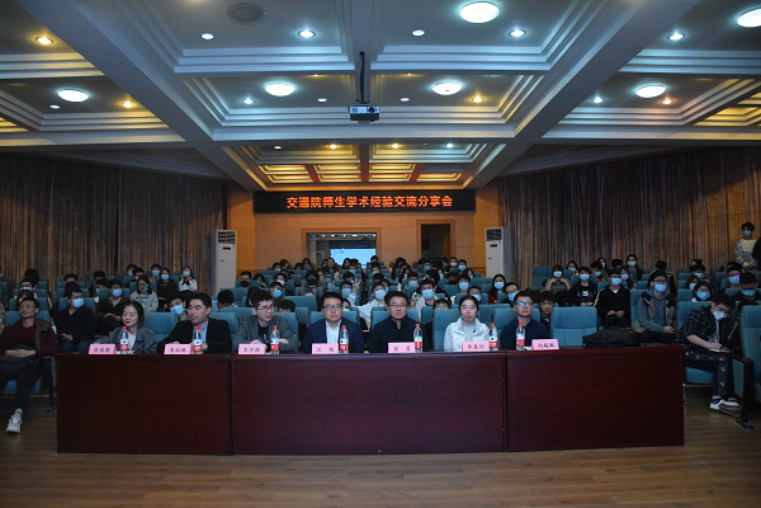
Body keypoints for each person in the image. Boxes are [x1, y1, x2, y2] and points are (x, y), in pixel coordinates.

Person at [0, 298, 58, 434]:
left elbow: (55, 348)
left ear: (36, 310)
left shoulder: (44, 328)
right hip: (9, 362)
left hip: (31, 363)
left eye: (28, 306)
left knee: (25, 377)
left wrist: (32, 352)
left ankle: (17, 416)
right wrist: (9, 352)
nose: (24, 309)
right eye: (21, 307)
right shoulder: (10, 329)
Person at [680, 295, 740, 416]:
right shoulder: (698, 313)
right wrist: (709, 345)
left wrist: (723, 348)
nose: (723, 314)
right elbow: (689, 335)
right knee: (722, 360)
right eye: (721, 309)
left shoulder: (726, 321)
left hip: (713, 351)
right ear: (713, 305)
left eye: (726, 312)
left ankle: (730, 397)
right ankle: (716, 400)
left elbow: (725, 341)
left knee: (731, 357)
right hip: (691, 350)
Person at [158, 293, 231, 354]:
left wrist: (205, 346)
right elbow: (160, 346)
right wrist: (172, 346)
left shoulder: (220, 325)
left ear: (208, 310)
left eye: (197, 308)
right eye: (190, 308)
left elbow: (227, 346)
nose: (192, 312)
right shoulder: (182, 326)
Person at [633, 271, 677, 344]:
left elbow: (675, 318)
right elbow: (644, 320)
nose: (661, 283)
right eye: (658, 281)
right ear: (652, 283)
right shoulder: (644, 298)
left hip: (665, 329)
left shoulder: (671, 298)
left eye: (664, 281)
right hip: (646, 329)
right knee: (645, 338)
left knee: (667, 338)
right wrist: (662, 329)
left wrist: (674, 328)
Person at [56, 284, 97, 354]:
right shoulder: (61, 314)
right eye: (76, 297)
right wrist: (63, 335)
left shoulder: (88, 312)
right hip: (67, 340)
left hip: (84, 339)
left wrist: (73, 336)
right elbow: (58, 328)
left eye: (81, 297)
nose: (79, 299)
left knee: (83, 347)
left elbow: (92, 328)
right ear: (69, 300)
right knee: (66, 347)